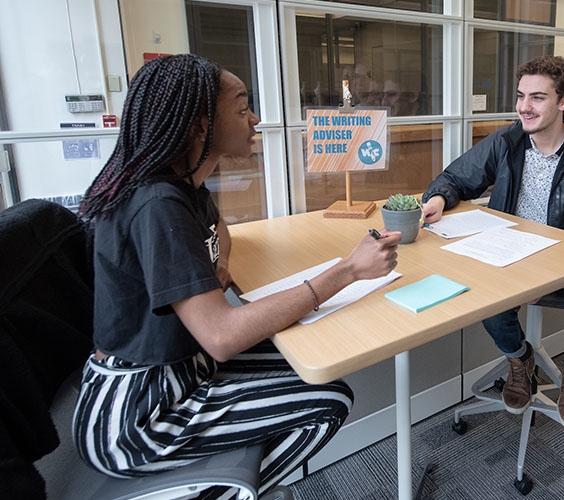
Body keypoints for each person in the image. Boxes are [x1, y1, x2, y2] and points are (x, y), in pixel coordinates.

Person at [74, 54, 401, 498]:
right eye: (242, 107)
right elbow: (222, 336)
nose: (255, 119)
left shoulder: (183, 185)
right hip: (140, 411)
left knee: (304, 356)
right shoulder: (157, 205)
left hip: (184, 366)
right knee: (329, 401)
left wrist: (216, 266)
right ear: (199, 124)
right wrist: (346, 271)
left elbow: (219, 232)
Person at [421, 55, 564, 429]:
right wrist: (437, 198)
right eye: (520, 96)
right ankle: (518, 359)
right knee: (485, 300)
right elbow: (457, 177)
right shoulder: (507, 140)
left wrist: (543, 273)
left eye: (537, 98)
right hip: (509, 252)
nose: (524, 107)